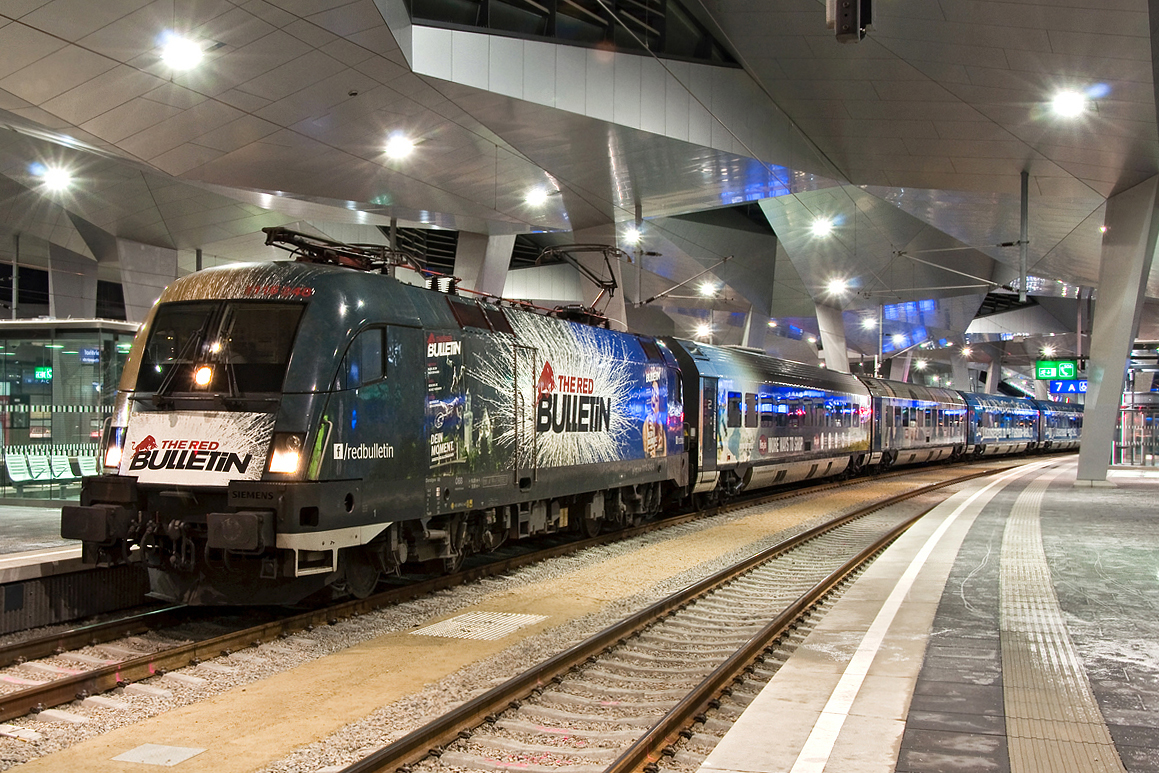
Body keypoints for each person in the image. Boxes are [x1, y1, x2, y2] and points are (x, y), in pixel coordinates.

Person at [643, 378, 667, 457]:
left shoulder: (662, 424)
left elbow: (664, 454)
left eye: (656, 395)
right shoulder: (647, 422)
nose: (654, 399)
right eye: (652, 394)